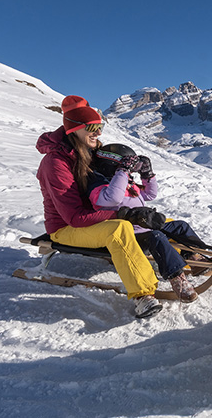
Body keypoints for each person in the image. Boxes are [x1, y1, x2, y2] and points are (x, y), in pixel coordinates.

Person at [36, 95, 166, 319]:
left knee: (155, 219)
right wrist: (123, 214)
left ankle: (185, 255)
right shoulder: (55, 164)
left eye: (100, 127)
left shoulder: (89, 150)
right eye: (92, 128)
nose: (98, 133)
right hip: (66, 228)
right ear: (74, 130)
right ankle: (143, 296)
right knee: (120, 230)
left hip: (96, 217)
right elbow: (74, 218)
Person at [86, 143, 207, 303]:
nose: (130, 170)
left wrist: (147, 175)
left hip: (143, 224)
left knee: (180, 226)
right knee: (157, 237)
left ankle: (194, 257)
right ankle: (177, 278)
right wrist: (122, 171)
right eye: (128, 166)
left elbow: (150, 194)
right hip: (129, 233)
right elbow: (113, 198)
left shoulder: (125, 182)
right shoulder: (98, 186)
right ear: (112, 165)